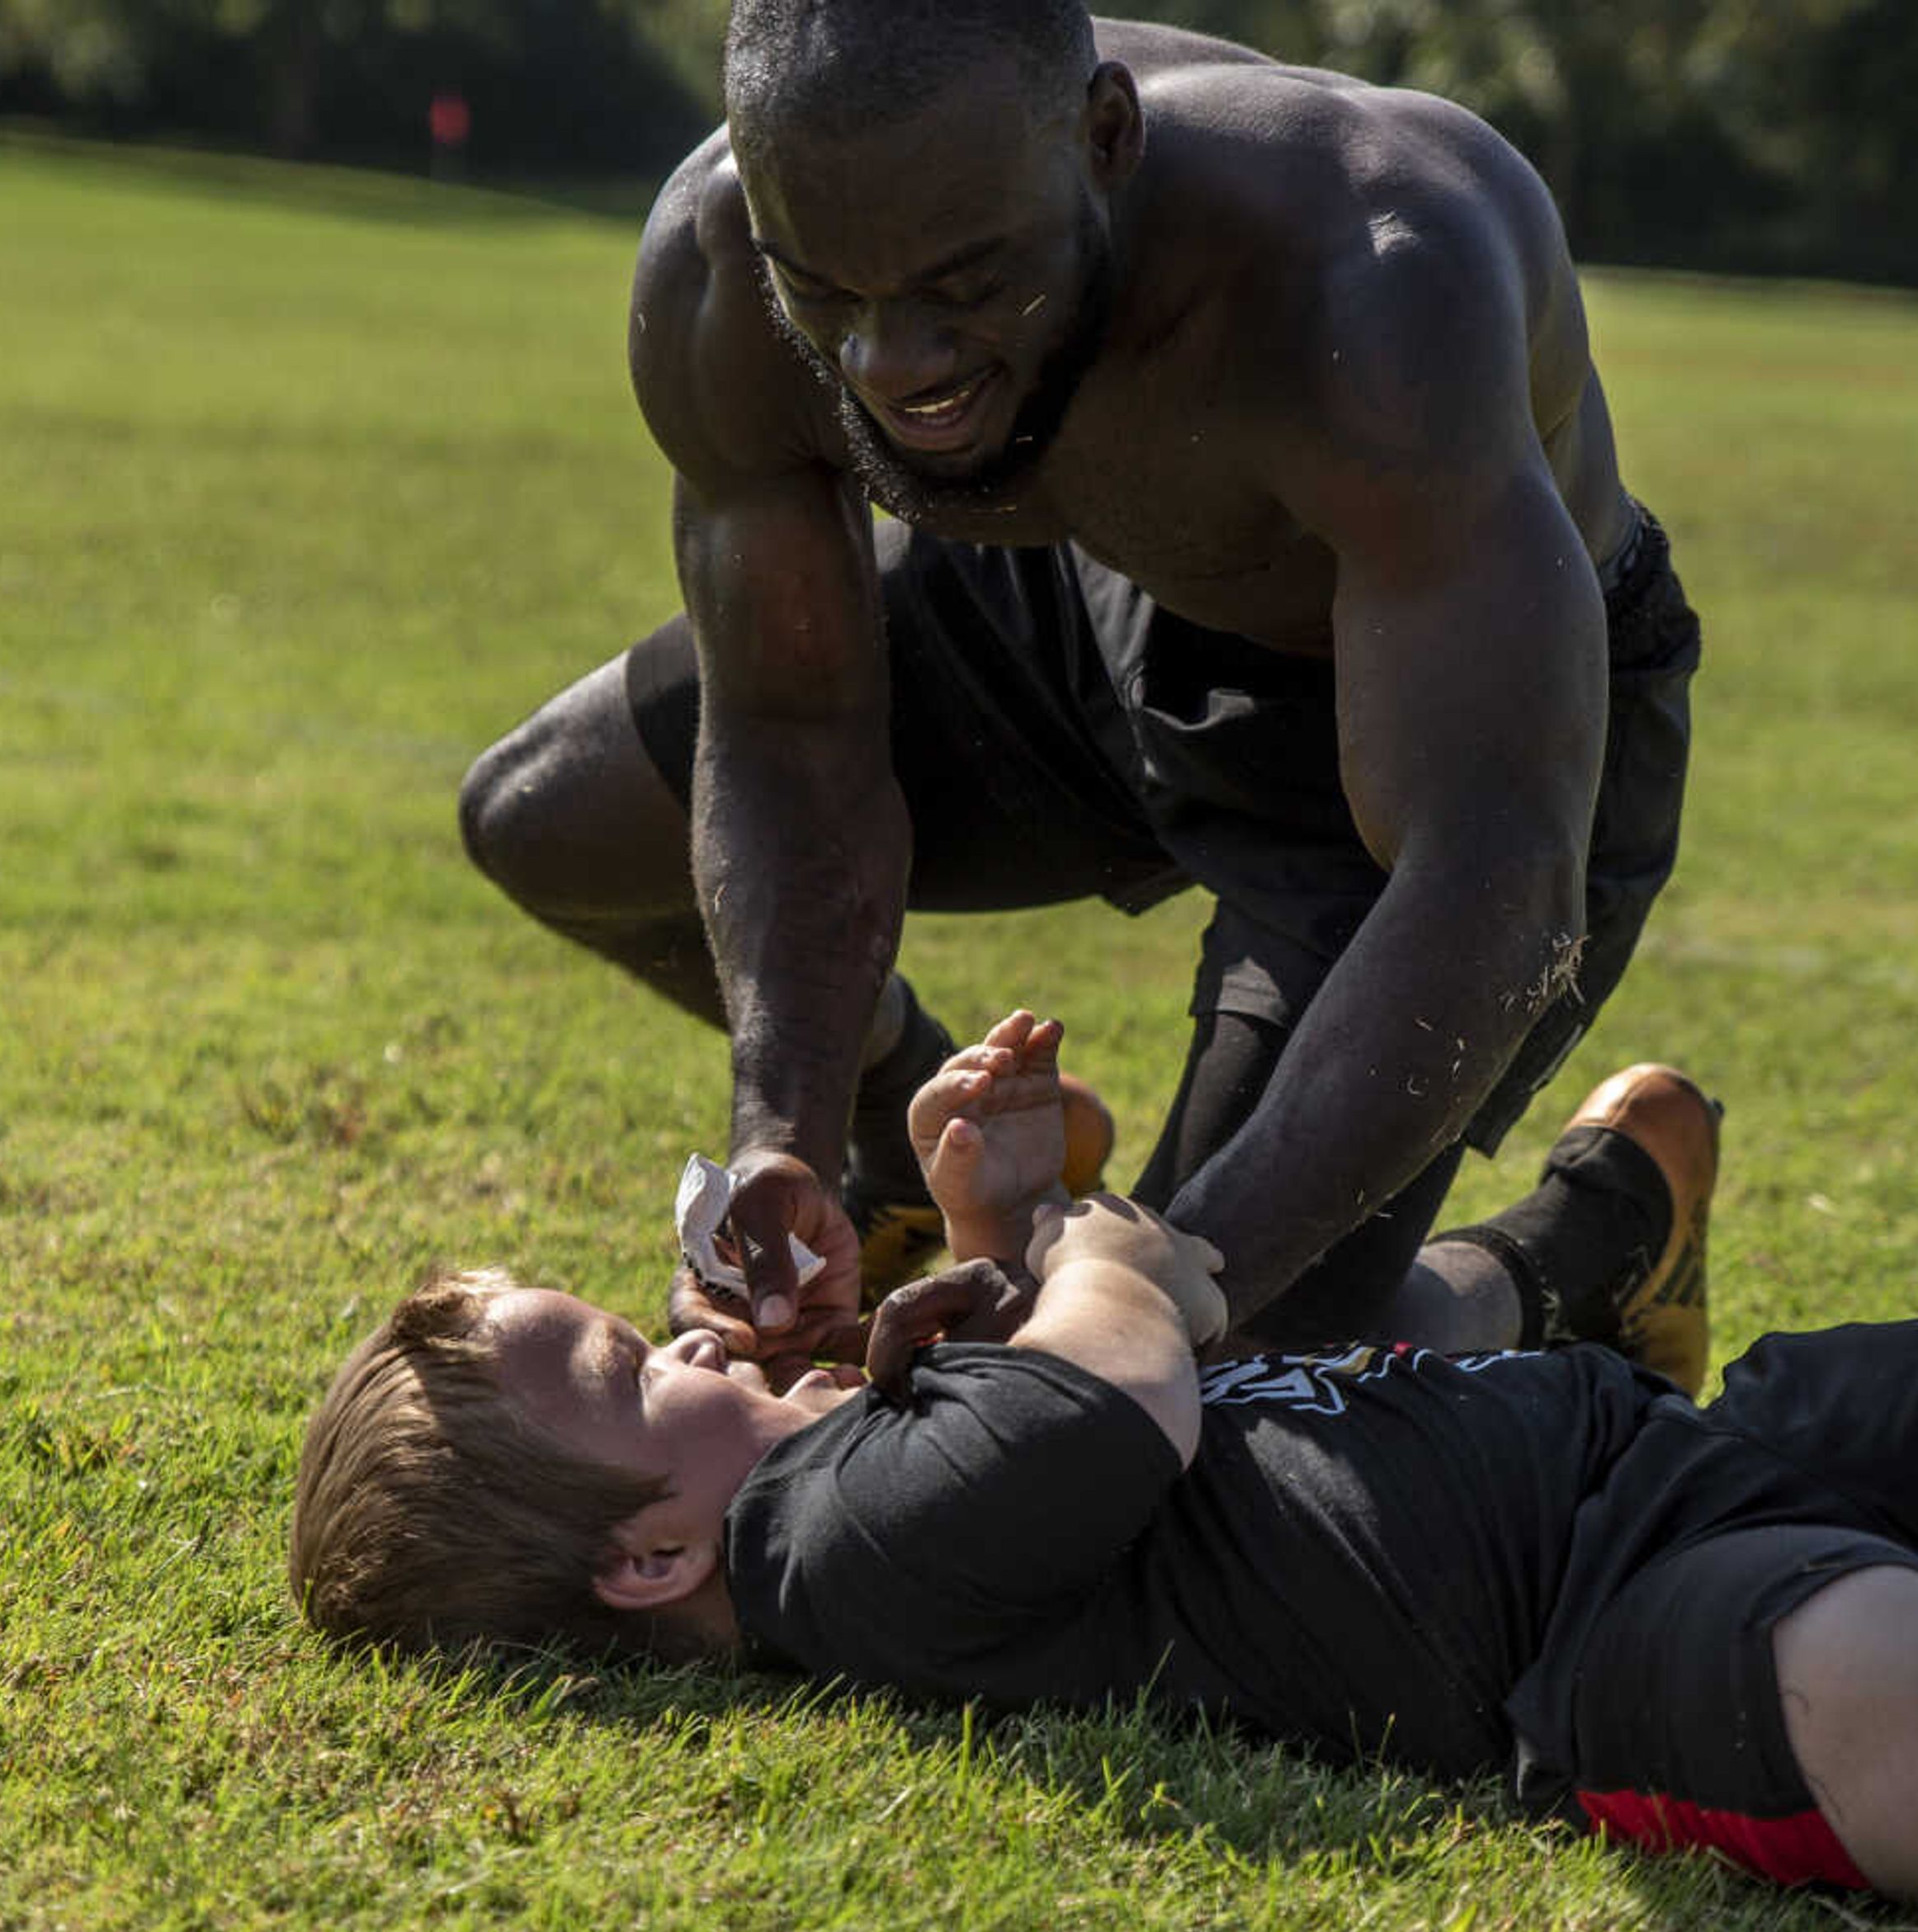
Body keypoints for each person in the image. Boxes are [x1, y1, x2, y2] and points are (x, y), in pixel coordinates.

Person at [289, 1013, 1918, 1932]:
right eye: (632, 1371)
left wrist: (996, 1221)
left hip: (1636, 1443)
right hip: (1595, 1611)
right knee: (1836, 1643)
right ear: (642, 1565)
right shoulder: (828, 1563)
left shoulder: (824, 1462)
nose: (684, 1332)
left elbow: (1052, 1365)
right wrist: (1091, 1249)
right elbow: (1121, 1399)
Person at [451, 2, 1705, 1371]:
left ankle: (1580, 1250)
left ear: (1107, 139)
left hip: (1430, 725)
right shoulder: (722, 268)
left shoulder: (1371, 273)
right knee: (545, 815)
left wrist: (1146, 1287)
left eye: (964, 284)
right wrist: (780, 1128)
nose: (891, 362)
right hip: (1086, 588)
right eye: (827, 291)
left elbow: (1498, 877)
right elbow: (793, 734)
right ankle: (888, 1146)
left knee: (1200, 1374)